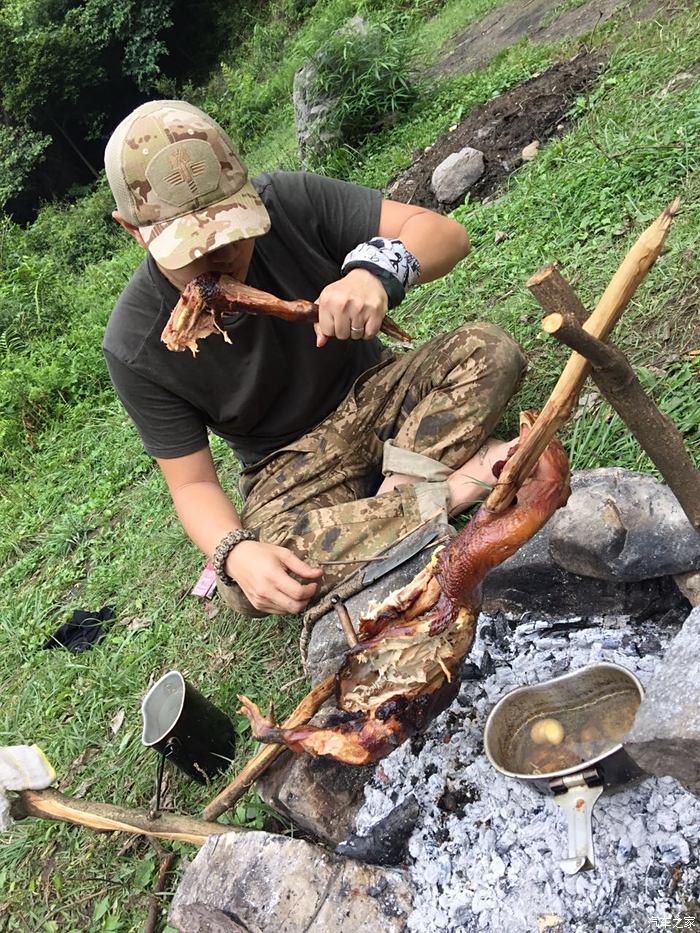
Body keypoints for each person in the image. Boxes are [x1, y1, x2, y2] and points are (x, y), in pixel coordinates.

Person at [103, 100, 526, 618]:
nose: (221, 255)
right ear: (133, 232)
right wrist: (235, 554)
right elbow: (192, 484)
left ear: (248, 192)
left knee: (488, 349)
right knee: (254, 579)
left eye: (234, 229)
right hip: (290, 467)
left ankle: (393, 505)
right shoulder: (134, 342)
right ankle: (458, 487)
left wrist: (375, 274)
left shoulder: (289, 201)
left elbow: (444, 234)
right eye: (192, 247)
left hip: (378, 395)